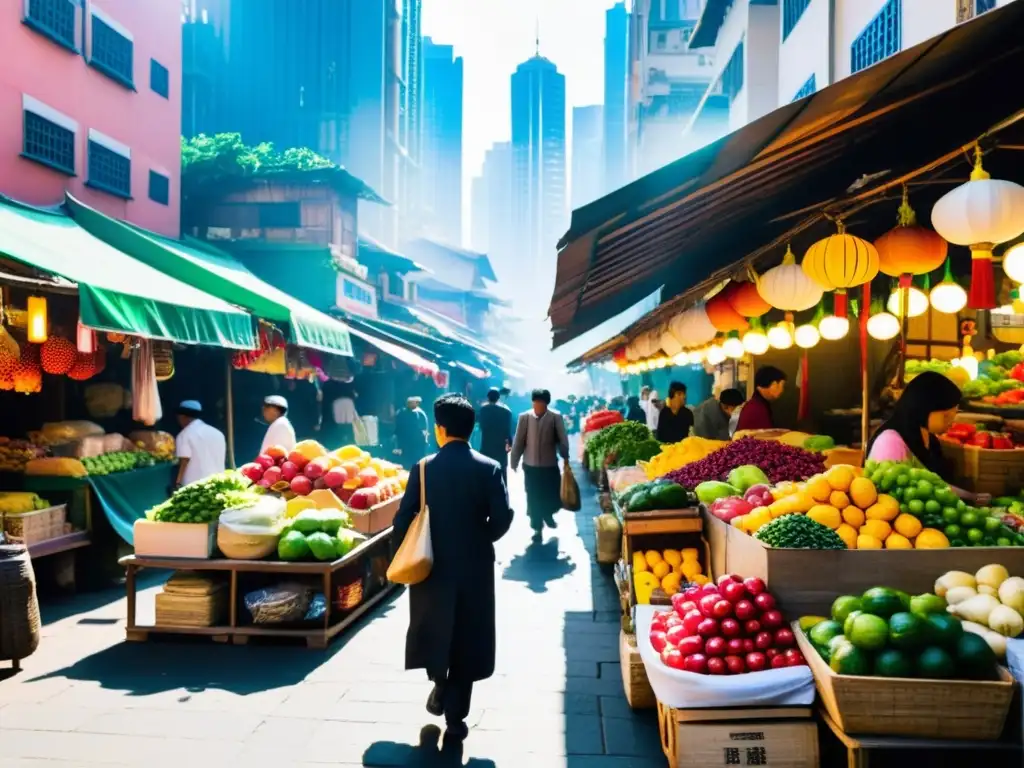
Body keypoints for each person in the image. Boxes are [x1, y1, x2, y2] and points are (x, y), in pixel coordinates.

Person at [392, 393, 514, 742]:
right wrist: (481, 538)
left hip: (432, 566)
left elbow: (403, 520)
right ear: (472, 429)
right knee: (468, 634)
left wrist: (403, 551)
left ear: (439, 429)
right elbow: (502, 519)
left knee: (435, 628)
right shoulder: (489, 467)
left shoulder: (424, 468)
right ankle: (457, 715)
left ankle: (439, 683)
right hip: (475, 566)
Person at [864, 371, 988, 503]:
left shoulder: (930, 439)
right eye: (945, 416)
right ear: (923, 409)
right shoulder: (889, 442)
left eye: (954, 414)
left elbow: (937, 485)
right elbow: (892, 495)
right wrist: (970, 497)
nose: (951, 422)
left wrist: (971, 497)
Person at [510, 388, 570, 540]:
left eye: (541, 403)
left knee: (549, 494)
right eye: (536, 402)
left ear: (546, 403)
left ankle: (548, 515)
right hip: (530, 466)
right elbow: (518, 441)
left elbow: (562, 439)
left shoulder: (555, 417)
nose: (538, 405)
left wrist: (565, 456)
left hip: (549, 465)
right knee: (532, 495)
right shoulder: (524, 417)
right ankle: (537, 526)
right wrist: (514, 461)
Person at [174, 401, 226, 489]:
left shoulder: (184, 435)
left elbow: (184, 460)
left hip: (194, 487)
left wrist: (178, 483)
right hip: (218, 483)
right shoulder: (217, 433)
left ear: (182, 417)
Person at [735, 366, 787, 432]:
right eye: (782, 385)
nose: (782, 390)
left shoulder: (757, 404)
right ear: (774, 384)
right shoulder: (755, 408)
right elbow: (765, 437)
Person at [477, 387, 514, 482]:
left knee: (485, 473)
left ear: (488, 397)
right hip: (500, 447)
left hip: (486, 446)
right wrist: (510, 444)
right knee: (501, 473)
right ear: (498, 397)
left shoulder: (483, 410)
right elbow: (509, 430)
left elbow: (481, 426)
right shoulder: (506, 411)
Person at [394, 396, 430, 470]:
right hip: (406, 444)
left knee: (417, 464)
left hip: (417, 445)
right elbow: (398, 428)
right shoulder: (401, 412)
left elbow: (424, 428)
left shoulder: (420, 413)